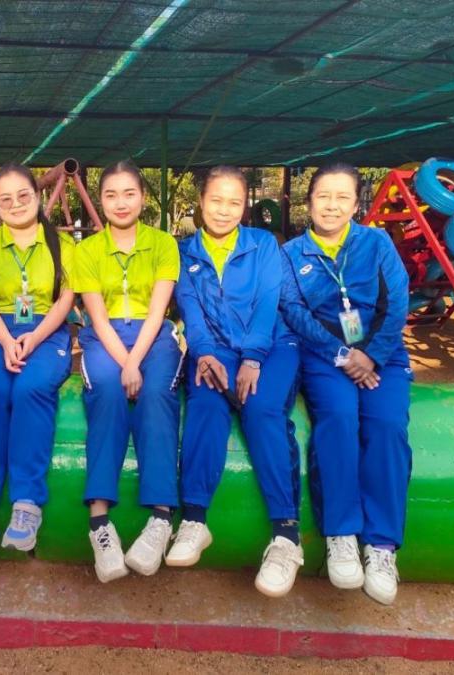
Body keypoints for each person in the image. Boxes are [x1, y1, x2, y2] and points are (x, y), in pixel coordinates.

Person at [280, 162, 412, 605]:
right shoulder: (292, 254)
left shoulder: (377, 243)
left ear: (356, 204)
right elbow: (294, 312)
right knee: (337, 418)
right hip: (325, 357)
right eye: (323, 196)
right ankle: (341, 534)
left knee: (387, 426)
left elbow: (397, 302)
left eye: (342, 197)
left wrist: (371, 354)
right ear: (309, 202)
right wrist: (343, 354)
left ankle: (382, 545)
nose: (332, 206)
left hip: (382, 355)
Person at [171, 166, 302, 597]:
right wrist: (205, 353)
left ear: (245, 206)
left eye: (234, 202)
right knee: (206, 403)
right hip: (216, 348)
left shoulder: (263, 244)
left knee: (261, 409)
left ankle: (286, 535)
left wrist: (253, 358)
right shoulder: (185, 252)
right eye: (216, 200)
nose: (224, 210)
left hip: (272, 346)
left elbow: (268, 302)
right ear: (201, 202)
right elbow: (190, 309)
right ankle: (194, 520)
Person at [74, 160, 182, 583]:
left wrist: (136, 362)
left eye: (129, 193)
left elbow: (158, 313)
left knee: (155, 394)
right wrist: (125, 363)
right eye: (111, 194)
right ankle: (99, 523)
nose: (121, 203)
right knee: (106, 390)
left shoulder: (163, 244)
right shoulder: (87, 251)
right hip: (106, 338)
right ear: (100, 200)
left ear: (142, 197)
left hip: (152, 336)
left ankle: (160, 519)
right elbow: (98, 319)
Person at [0, 164, 75, 553]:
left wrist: (34, 337)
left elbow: (66, 301)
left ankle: (27, 502)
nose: (16, 204)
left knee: (31, 388)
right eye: (5, 199)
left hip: (46, 329)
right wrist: (7, 340)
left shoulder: (63, 245)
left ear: (37, 196)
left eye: (23, 195)